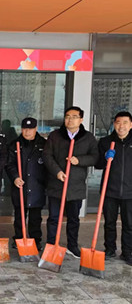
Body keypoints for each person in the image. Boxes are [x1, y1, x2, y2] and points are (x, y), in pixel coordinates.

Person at [43, 106, 98, 258]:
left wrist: (79, 160)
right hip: (57, 184)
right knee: (54, 218)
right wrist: (57, 172)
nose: (70, 119)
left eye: (74, 117)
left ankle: (72, 245)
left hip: (75, 185)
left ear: (81, 119)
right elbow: (47, 156)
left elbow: (95, 157)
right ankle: (51, 246)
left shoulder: (88, 138)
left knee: (73, 219)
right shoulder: (55, 136)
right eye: (68, 116)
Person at [96, 111, 132, 265]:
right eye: (118, 122)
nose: (121, 126)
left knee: (129, 224)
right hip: (109, 190)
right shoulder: (106, 142)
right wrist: (105, 158)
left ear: (131, 125)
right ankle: (110, 249)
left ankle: (127, 252)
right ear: (114, 124)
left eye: (125, 122)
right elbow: (98, 164)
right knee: (109, 222)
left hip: (130, 191)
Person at [6, 117, 46, 251]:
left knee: (35, 217)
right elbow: (9, 164)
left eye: (30, 129)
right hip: (20, 186)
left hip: (37, 186)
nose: (27, 132)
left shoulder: (44, 144)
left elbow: (48, 164)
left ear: (36, 129)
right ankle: (19, 238)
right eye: (24, 129)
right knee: (19, 216)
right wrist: (15, 177)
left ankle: (35, 240)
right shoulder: (14, 144)